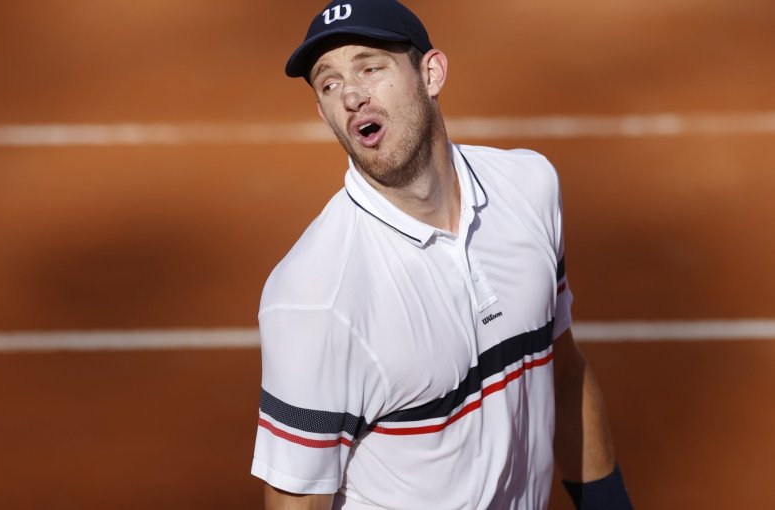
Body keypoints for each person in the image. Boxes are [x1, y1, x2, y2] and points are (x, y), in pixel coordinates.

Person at [251, 1, 633, 509]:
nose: (351, 94)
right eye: (329, 83)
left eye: (370, 66)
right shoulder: (314, 296)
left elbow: (562, 374)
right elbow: (294, 503)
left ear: (431, 73)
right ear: (322, 113)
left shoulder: (528, 188)